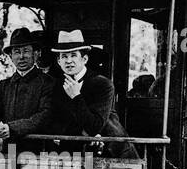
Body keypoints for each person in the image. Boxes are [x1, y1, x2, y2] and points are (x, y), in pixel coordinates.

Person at [51, 30, 138, 159]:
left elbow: (94, 127)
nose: (68, 61)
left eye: (73, 55)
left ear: (84, 59)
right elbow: (57, 121)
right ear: (59, 61)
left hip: (112, 153)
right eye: (64, 56)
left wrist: (76, 96)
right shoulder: (57, 85)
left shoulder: (103, 84)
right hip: (76, 152)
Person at [0, 27, 56, 149]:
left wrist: (12, 128)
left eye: (26, 51)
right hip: (10, 153)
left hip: (41, 153)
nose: (21, 56)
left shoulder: (48, 83)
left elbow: (44, 116)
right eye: (17, 52)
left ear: (35, 54)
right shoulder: (4, 86)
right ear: (10, 56)